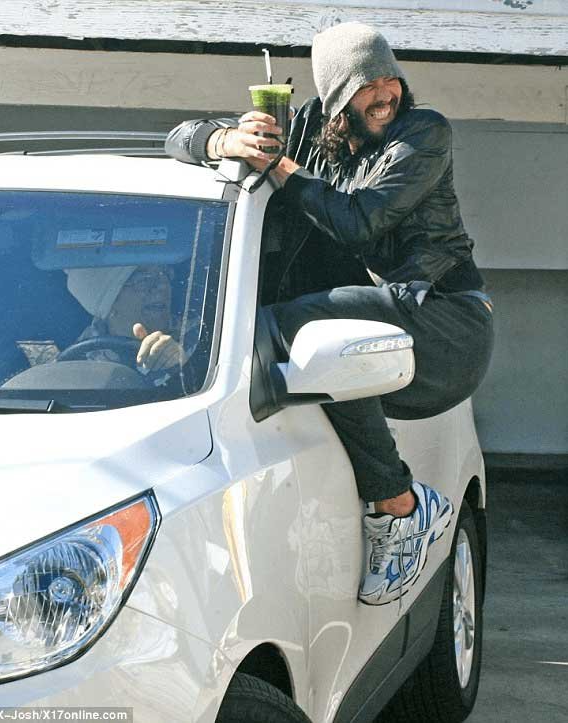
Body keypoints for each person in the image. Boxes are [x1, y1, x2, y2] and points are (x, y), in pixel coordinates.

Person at [165, 21, 494, 605]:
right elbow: (177, 136)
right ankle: (394, 500)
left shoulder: (424, 133)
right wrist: (226, 142)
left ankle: (398, 507)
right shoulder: (310, 130)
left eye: (392, 79)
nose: (387, 94)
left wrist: (280, 169)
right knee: (319, 341)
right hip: (380, 327)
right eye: (369, 86)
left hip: (444, 322)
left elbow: (358, 219)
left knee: (296, 327)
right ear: (339, 95)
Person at [66, 265, 187, 381]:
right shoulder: (74, 362)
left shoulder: (198, 338)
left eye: (165, 274)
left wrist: (183, 366)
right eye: (144, 279)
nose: (163, 286)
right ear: (110, 304)